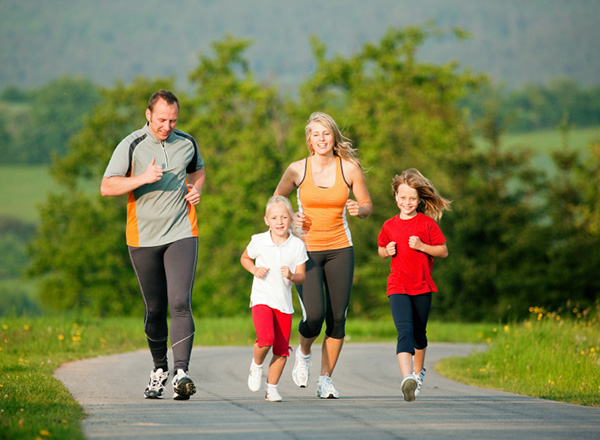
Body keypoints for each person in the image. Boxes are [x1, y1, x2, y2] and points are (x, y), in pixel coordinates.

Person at [100, 90, 206, 401]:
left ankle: (181, 373)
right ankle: (159, 369)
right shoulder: (131, 144)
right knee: (156, 309)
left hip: (181, 232)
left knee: (180, 302)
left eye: (173, 120)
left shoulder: (186, 142)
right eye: (162, 120)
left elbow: (197, 169)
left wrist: (197, 189)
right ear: (148, 115)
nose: (167, 126)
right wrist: (142, 178)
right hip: (143, 237)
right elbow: (107, 186)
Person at [274, 112, 372, 399]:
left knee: (337, 318)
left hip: (341, 248)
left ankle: (325, 379)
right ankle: (303, 352)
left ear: (333, 137)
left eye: (326, 134)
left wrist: (359, 210)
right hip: (305, 251)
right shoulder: (297, 170)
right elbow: (276, 204)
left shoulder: (349, 169)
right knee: (314, 316)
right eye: (315, 134)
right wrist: (292, 220)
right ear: (309, 140)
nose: (321, 139)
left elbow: (367, 204)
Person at [377, 168, 450, 402]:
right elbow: (380, 248)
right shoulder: (389, 225)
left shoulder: (427, 224)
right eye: (403, 197)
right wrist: (385, 251)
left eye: (412, 198)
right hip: (397, 286)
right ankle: (407, 378)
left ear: (419, 200)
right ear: (396, 197)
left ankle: (418, 373)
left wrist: (422, 246)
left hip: (422, 286)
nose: (407, 202)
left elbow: (443, 251)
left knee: (419, 335)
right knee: (404, 332)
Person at [241, 195, 308, 402]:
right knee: (266, 339)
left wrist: (291, 276)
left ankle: (272, 388)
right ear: (266, 220)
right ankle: (256, 365)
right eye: (274, 218)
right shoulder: (258, 240)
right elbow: (244, 258)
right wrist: (254, 269)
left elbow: (302, 276)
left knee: (281, 349)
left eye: (284, 217)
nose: (279, 222)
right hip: (261, 297)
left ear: (291, 219)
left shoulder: (297, 245)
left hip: (284, 304)